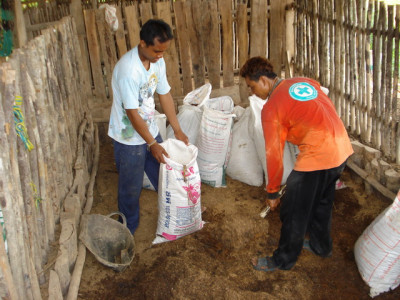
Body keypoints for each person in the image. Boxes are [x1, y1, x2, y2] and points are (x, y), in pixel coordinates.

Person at [239, 57, 353, 272]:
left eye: (252, 87)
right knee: (322, 202)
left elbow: (274, 155)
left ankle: (282, 260)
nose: (252, 93)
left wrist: (272, 192)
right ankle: (321, 247)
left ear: (263, 80)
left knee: (293, 211)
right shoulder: (303, 81)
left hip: (317, 156)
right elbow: (319, 100)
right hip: (341, 148)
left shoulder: (271, 108)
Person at [108, 19, 188, 234]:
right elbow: (132, 114)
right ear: (142, 43)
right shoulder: (128, 70)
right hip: (128, 139)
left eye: (164, 51)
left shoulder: (157, 62)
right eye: (157, 51)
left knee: (164, 174)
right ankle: (128, 229)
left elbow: (164, 94)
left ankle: (178, 212)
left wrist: (177, 129)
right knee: (130, 189)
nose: (160, 55)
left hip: (150, 131)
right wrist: (152, 143)